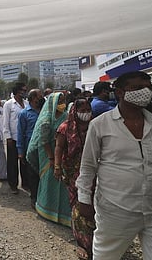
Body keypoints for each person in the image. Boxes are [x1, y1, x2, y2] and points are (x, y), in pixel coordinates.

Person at [76, 71, 152, 260]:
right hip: (116, 209)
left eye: (148, 87)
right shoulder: (100, 125)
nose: (145, 92)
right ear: (119, 92)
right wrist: (83, 199)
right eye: (137, 88)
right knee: (106, 256)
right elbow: (88, 166)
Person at [54, 97, 94, 260]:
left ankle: (96, 239)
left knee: (94, 203)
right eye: (82, 111)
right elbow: (59, 147)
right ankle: (82, 243)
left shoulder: (96, 126)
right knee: (79, 206)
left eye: (88, 110)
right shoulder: (65, 128)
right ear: (75, 111)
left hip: (95, 172)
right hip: (73, 173)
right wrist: (57, 167)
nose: (86, 113)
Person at [27, 92, 71, 226]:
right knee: (49, 179)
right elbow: (44, 141)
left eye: (63, 101)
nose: (62, 104)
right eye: (59, 101)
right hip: (47, 155)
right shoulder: (46, 119)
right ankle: (46, 208)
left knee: (62, 182)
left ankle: (63, 212)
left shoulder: (65, 116)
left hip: (62, 153)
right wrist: (51, 158)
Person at [17, 89, 44, 208]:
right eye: (39, 96)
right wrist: (20, 152)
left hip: (43, 148)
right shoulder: (24, 113)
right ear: (33, 98)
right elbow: (20, 133)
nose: (42, 98)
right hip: (30, 149)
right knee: (32, 175)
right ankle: (34, 198)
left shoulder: (44, 111)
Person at [3, 83, 29, 194]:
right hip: (13, 138)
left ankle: (26, 183)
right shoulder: (8, 104)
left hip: (25, 138)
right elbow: (5, 122)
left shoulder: (27, 103)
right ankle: (13, 184)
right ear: (17, 91)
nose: (24, 92)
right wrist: (8, 137)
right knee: (13, 163)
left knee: (25, 162)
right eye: (23, 90)